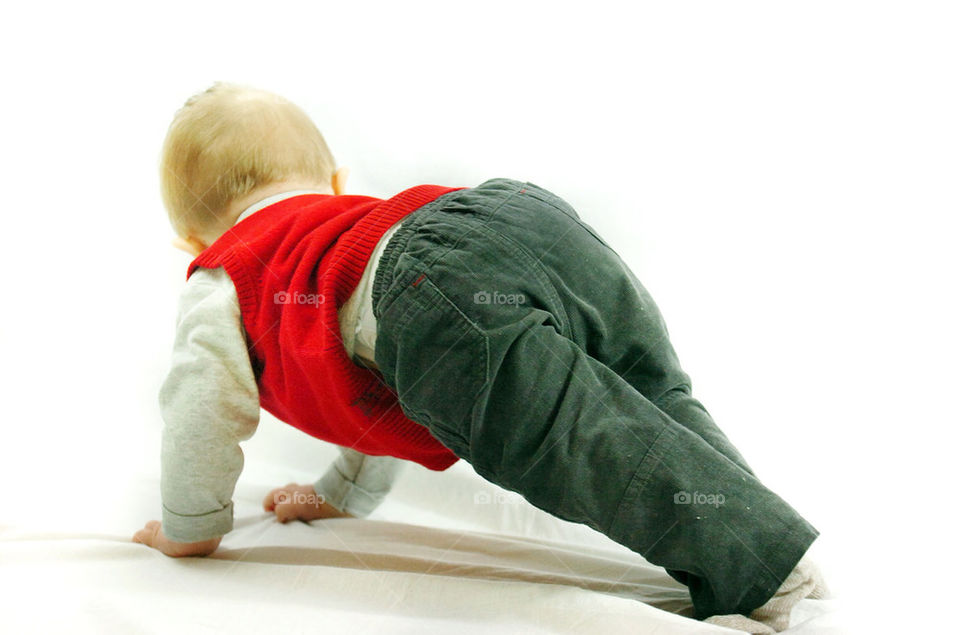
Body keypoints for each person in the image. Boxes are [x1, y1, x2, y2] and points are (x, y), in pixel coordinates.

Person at [133, 82, 826, 631]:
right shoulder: (347, 220)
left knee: (580, 435)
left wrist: (192, 524)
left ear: (192, 241)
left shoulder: (225, 272)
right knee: (653, 397)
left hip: (435, 283)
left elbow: (200, 404)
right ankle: (760, 542)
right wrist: (339, 493)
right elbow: (378, 383)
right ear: (335, 180)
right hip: (518, 216)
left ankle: (763, 574)